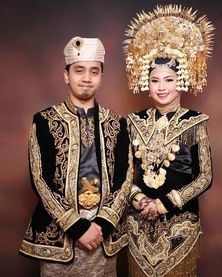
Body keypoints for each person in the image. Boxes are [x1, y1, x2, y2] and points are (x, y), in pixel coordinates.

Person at [19, 36, 132, 277]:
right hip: (59, 232)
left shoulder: (117, 123)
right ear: (66, 75)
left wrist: (100, 225)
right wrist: (77, 226)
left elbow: (126, 177)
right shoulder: (44, 121)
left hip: (103, 233)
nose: (86, 78)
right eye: (79, 70)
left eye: (94, 71)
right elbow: (39, 179)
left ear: (102, 77)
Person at [123, 4, 214, 276]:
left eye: (169, 79)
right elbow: (124, 172)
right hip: (138, 227)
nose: (161, 87)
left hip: (180, 226)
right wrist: (138, 199)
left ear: (181, 80)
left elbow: (205, 176)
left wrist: (166, 203)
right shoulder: (133, 122)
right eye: (155, 80)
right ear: (145, 82)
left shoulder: (196, 122)